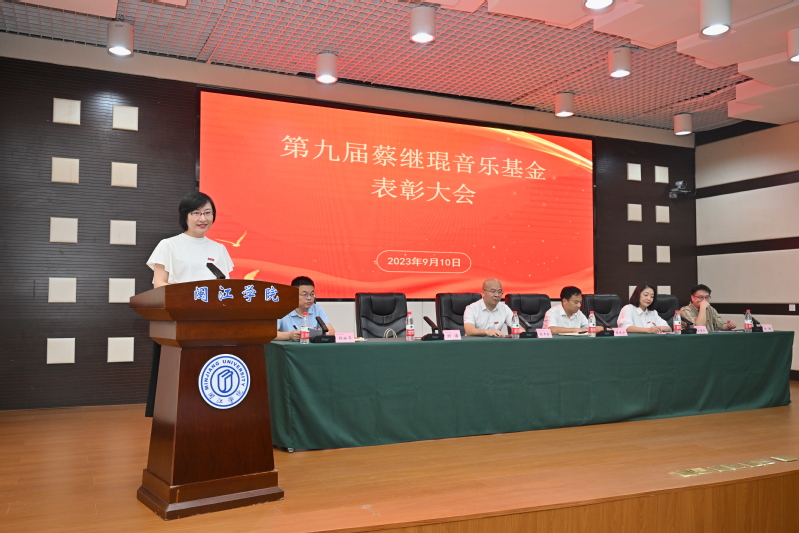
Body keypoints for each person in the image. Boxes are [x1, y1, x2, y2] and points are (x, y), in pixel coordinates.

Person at [144, 191, 234, 416]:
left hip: (212, 325)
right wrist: (188, 299)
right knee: (180, 388)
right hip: (180, 323)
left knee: (208, 382)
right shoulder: (168, 245)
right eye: (196, 213)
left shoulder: (219, 249)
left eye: (208, 213)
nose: (203, 218)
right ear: (185, 215)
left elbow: (225, 288)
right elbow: (159, 284)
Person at [276, 276, 335, 341]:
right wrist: (289, 335)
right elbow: (270, 334)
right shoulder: (281, 309)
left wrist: (327, 333)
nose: (309, 298)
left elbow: (330, 330)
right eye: (305, 294)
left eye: (312, 294)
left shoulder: (317, 309)